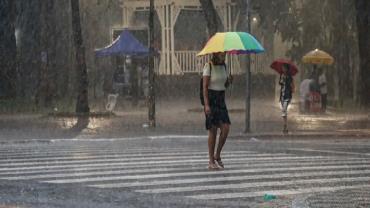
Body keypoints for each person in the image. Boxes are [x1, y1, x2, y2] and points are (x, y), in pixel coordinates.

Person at [202, 52, 232, 170]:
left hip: (221, 99)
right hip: (211, 98)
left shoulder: (224, 66)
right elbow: (205, 87)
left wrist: (229, 81)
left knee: (226, 128)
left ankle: (217, 154)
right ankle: (211, 160)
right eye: (221, 54)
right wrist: (206, 105)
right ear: (215, 54)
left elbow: (224, 85)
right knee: (213, 130)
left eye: (224, 54)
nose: (223, 56)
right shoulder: (208, 66)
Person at [279, 64, 294, 133]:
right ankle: (285, 125)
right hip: (282, 95)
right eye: (282, 68)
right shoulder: (281, 75)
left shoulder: (289, 76)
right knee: (284, 111)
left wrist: (292, 90)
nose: (283, 69)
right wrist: (282, 79)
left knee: (284, 110)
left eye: (284, 68)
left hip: (287, 95)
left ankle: (285, 126)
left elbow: (292, 85)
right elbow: (280, 84)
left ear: (287, 69)